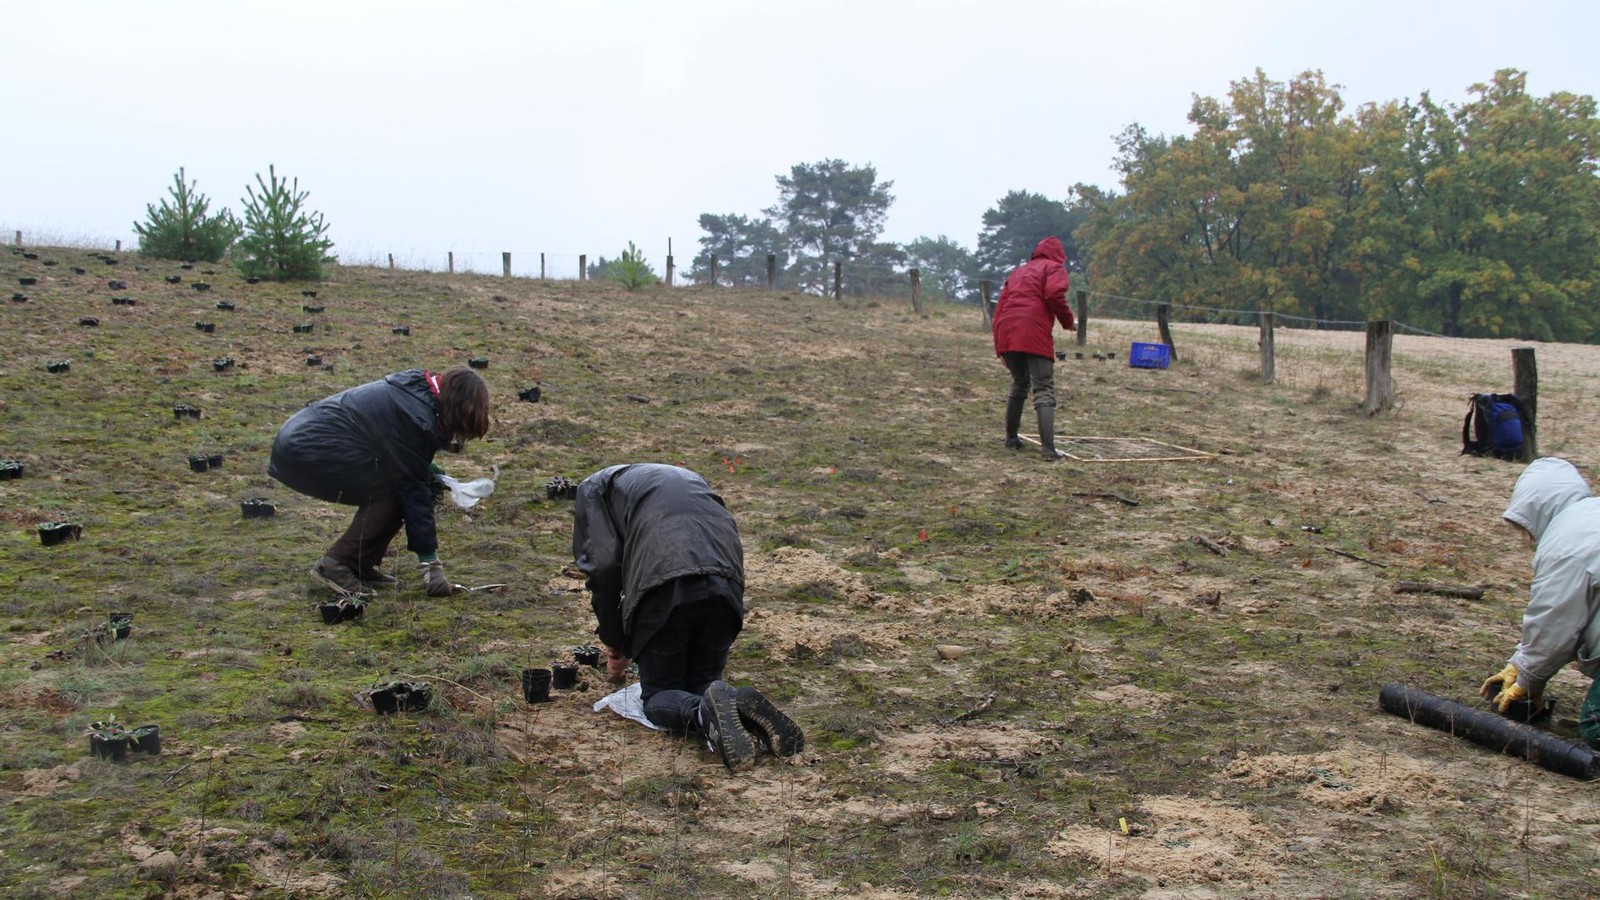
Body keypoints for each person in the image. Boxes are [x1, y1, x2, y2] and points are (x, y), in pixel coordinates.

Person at [572, 463, 803, 770]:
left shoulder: (592, 489)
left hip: (666, 584)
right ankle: (738, 704)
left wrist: (616, 642)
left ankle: (699, 714)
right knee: (705, 686)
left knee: (659, 696)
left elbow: (605, 568)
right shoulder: (688, 479)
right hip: (726, 584)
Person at [268, 366, 490, 597]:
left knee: (408, 483)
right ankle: (337, 565)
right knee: (397, 491)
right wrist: (431, 565)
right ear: (456, 406)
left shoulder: (417, 394)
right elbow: (412, 491)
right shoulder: (413, 417)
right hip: (305, 451)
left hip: (302, 442)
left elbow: (395, 452)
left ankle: (359, 564)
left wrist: (427, 469)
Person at [1480, 457, 1600, 748]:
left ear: (1535, 508)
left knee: (1595, 728)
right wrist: (1519, 665)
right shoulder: (1588, 517)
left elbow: (1555, 622)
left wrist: (1529, 678)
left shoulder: (1566, 545)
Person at [991, 235, 1076, 460]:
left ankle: (1011, 438)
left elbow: (999, 309)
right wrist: (1068, 322)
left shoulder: (1018, 272)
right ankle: (1048, 450)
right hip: (1033, 329)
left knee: (1019, 383)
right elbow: (1054, 294)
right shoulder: (1054, 268)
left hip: (1007, 330)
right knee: (1044, 388)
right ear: (1059, 256)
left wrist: (1000, 346)